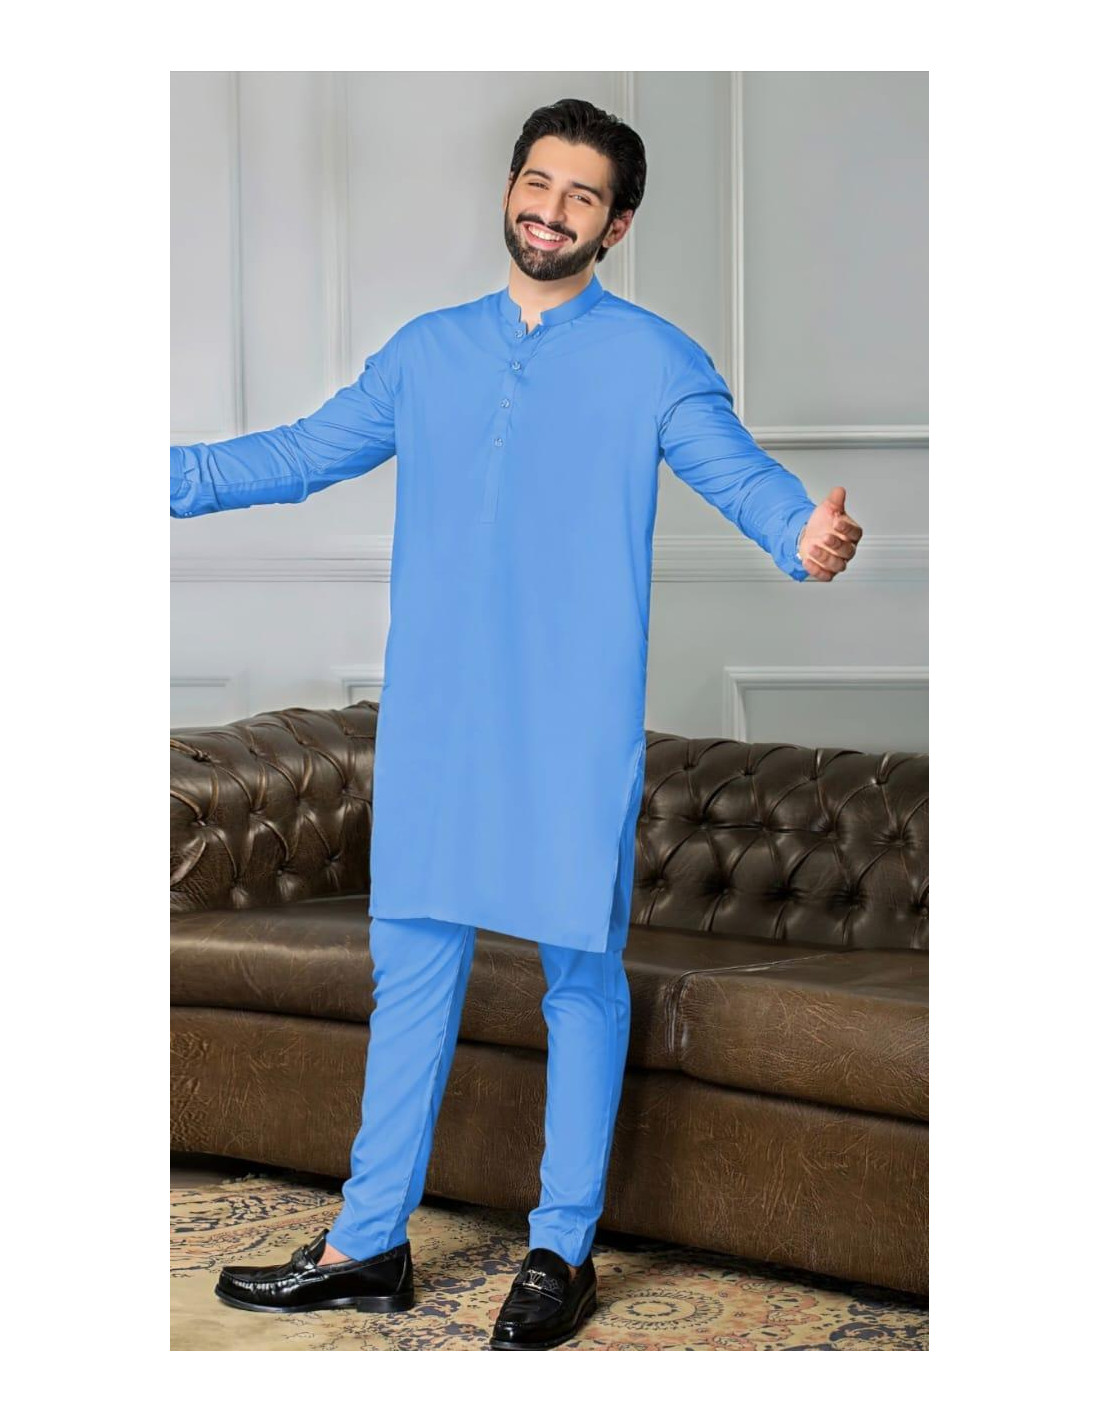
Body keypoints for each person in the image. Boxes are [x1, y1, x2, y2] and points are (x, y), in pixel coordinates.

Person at [173, 97, 862, 1350]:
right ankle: (365, 1245)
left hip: (570, 726)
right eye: (536, 184)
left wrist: (800, 537)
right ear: (509, 190)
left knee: (579, 980)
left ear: (615, 225)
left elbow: (739, 475)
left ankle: (560, 1251)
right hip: (434, 722)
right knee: (410, 978)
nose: (549, 211)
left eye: (580, 196)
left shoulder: (654, 361)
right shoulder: (426, 352)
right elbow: (295, 454)